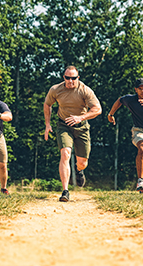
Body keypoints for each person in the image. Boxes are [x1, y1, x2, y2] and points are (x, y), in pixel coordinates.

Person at [44, 66, 102, 202]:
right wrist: (47, 124)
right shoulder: (55, 90)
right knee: (65, 153)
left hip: (81, 127)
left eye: (73, 78)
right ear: (63, 77)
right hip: (63, 125)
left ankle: (79, 170)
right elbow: (47, 104)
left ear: (78, 78)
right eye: (67, 78)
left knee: (82, 163)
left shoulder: (84, 90)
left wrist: (80, 117)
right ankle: (65, 191)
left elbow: (97, 109)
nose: (70, 81)